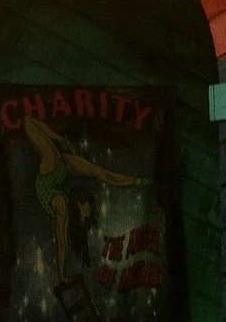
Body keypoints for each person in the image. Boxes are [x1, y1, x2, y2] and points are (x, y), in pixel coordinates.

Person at [20, 114, 144, 282]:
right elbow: (104, 174)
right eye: (87, 210)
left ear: (75, 210)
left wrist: (62, 276)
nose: (85, 210)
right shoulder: (63, 163)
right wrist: (136, 181)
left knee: (52, 153)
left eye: (83, 213)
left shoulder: (61, 205)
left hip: (49, 182)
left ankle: (133, 181)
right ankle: (134, 181)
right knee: (98, 171)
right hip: (59, 173)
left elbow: (62, 242)